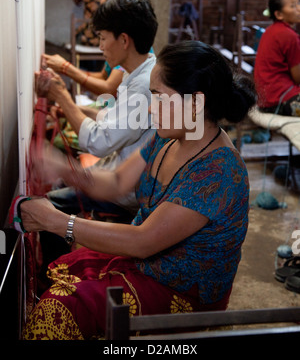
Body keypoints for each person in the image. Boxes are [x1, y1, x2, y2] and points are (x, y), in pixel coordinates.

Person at [20, 40, 256, 340]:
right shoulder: (169, 137)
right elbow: (118, 181)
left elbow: (143, 242)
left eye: (158, 96)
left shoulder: (218, 171)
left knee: (59, 309)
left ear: (195, 103)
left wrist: (56, 221)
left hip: (181, 294)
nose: (150, 106)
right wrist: (64, 169)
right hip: (149, 266)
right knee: (63, 284)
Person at [36, 0, 157, 221]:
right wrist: (72, 107)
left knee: (46, 206)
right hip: (119, 175)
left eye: (102, 38)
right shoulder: (140, 73)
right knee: (63, 183)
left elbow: (99, 143)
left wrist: (62, 96)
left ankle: (61, 258)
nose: (100, 46)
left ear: (123, 40)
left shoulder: (142, 86)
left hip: (127, 192)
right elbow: (112, 117)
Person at [254, 0, 300, 116]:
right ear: (279, 14)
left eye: (298, 3)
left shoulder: (270, 31)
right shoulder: (288, 35)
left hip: (265, 98)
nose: (298, 8)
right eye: (292, 6)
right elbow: (298, 78)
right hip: (280, 99)